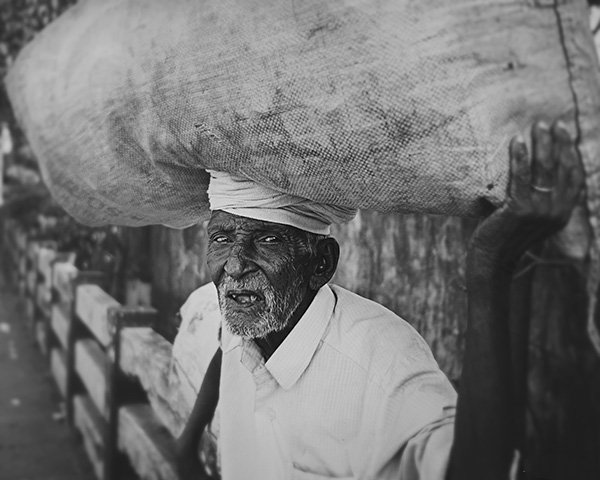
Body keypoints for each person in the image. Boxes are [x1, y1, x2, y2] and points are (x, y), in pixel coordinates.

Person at [176, 120, 584, 480]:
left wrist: (487, 270)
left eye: (267, 240)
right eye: (222, 239)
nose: (233, 266)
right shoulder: (249, 320)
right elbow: (227, 350)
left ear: (320, 264)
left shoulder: (383, 361)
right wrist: (186, 445)